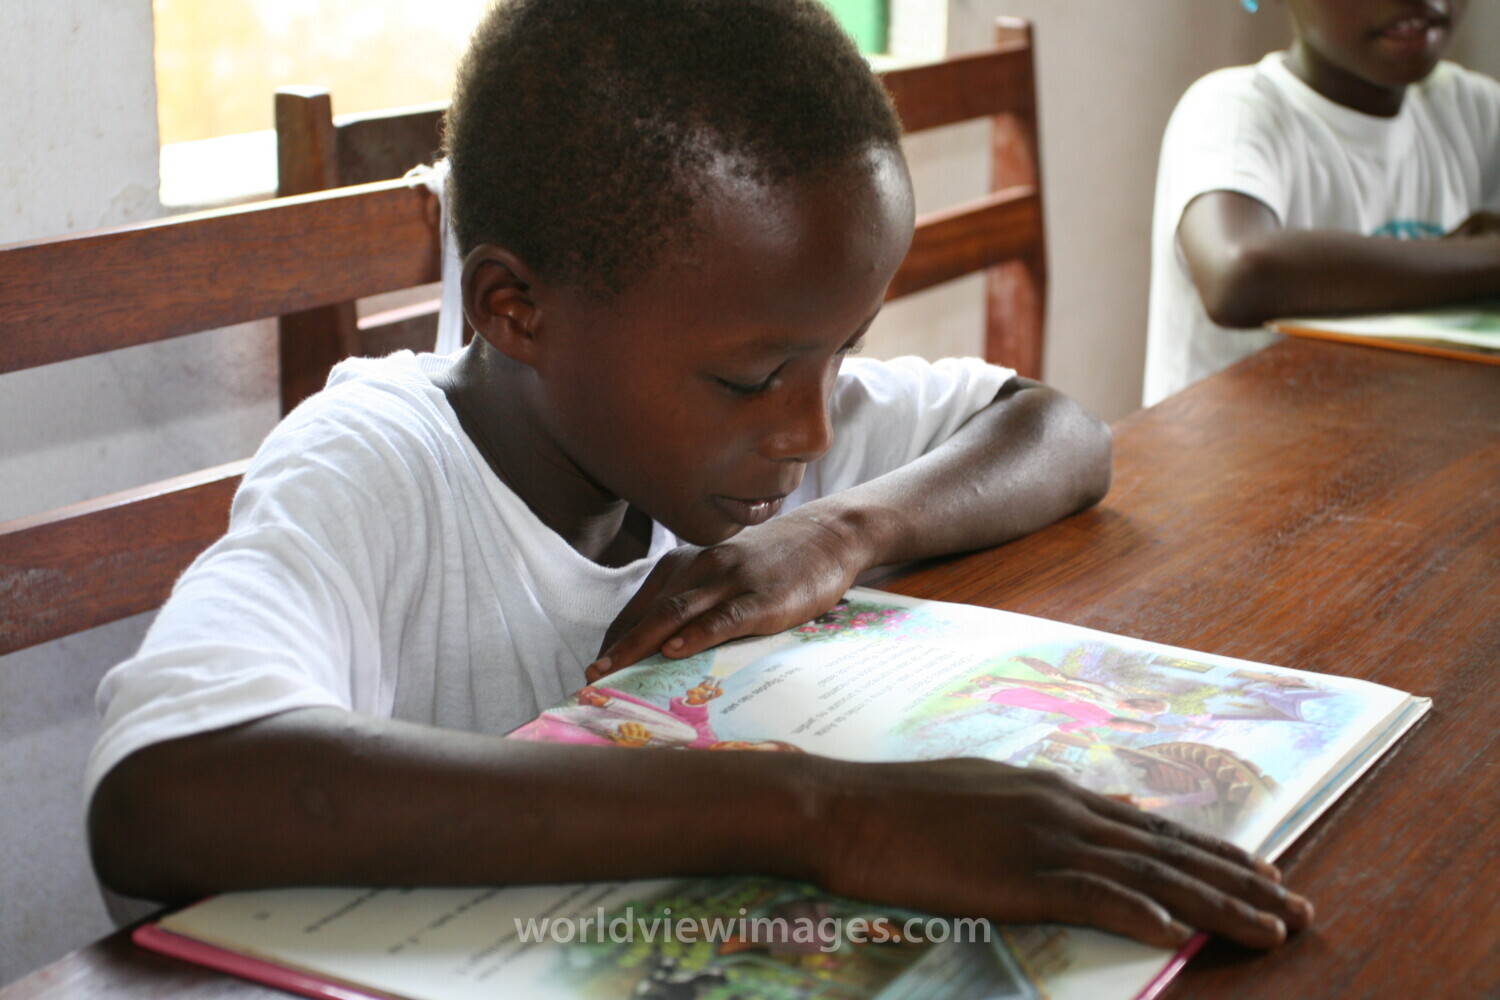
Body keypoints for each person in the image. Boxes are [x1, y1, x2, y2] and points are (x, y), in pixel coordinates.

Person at [85, 0, 1310, 952]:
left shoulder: (747, 420)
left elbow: (1058, 431)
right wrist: (825, 816)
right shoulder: (377, 470)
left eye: (846, 354)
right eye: (755, 379)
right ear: (517, 308)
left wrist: (844, 532)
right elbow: (162, 795)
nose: (810, 426)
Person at [1143, 0, 1500, 405]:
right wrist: (1485, 260)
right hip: (1240, 457)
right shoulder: (1232, 111)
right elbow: (1238, 274)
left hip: (1402, 442)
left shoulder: (1473, 110)